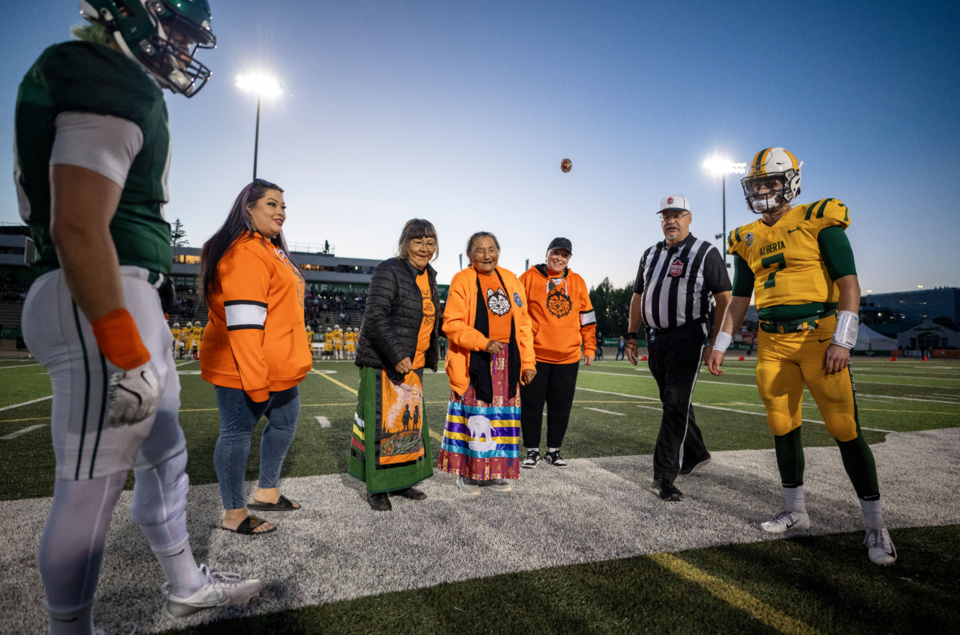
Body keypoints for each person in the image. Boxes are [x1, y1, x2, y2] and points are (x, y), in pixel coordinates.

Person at [17, 2, 261, 631]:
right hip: (101, 293)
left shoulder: (101, 75)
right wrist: (124, 348)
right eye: (178, 30)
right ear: (135, 12)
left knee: (166, 454)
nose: (184, 48)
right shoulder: (104, 73)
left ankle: (184, 586)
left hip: (117, 291)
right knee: (92, 488)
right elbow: (76, 223)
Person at [707, 147, 896, 565]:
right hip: (772, 343)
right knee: (781, 425)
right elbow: (739, 300)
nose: (762, 191)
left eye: (770, 182)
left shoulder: (819, 219)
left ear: (789, 182)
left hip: (819, 335)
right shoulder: (746, 237)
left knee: (843, 427)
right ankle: (795, 511)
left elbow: (849, 284)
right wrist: (720, 343)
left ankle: (875, 524)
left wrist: (843, 339)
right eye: (756, 184)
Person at [200, 179, 312, 534]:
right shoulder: (246, 251)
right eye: (271, 204)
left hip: (278, 366)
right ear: (248, 207)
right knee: (236, 432)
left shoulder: (269, 247)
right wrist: (255, 379)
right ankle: (234, 514)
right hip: (247, 366)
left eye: (283, 206)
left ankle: (266, 491)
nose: (280, 212)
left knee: (286, 419)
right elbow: (244, 325)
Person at [627, 195, 731, 502]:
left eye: (677, 215)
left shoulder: (705, 252)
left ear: (689, 218)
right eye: (665, 216)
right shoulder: (649, 254)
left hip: (688, 336)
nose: (670, 220)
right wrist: (631, 334)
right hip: (655, 337)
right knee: (673, 399)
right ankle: (697, 452)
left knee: (674, 401)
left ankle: (665, 475)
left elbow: (724, 298)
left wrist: (717, 341)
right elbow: (637, 296)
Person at [350, 219, 440, 511]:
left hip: (414, 365)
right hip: (384, 362)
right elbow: (375, 317)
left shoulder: (429, 276)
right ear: (405, 243)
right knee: (381, 427)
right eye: (418, 242)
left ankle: (402, 482)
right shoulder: (389, 269)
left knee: (407, 428)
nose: (425, 248)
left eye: (430, 242)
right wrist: (397, 354)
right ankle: (376, 488)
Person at [438, 232, 536, 494]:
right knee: (475, 416)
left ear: (498, 252)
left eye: (491, 249)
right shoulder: (463, 280)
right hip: (476, 358)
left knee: (502, 416)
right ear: (470, 256)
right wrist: (483, 342)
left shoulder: (512, 280)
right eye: (480, 250)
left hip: (508, 359)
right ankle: (468, 475)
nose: (486, 255)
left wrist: (528, 362)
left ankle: (495, 473)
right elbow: (451, 323)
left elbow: (524, 325)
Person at [518, 237, 596, 469]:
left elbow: (588, 319)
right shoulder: (528, 278)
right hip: (535, 355)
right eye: (555, 253)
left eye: (564, 255)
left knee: (561, 405)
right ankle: (532, 450)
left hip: (568, 356)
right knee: (531, 405)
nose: (559, 258)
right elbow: (517, 313)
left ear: (569, 258)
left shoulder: (578, 281)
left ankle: (553, 450)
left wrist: (589, 346)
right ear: (546, 254)